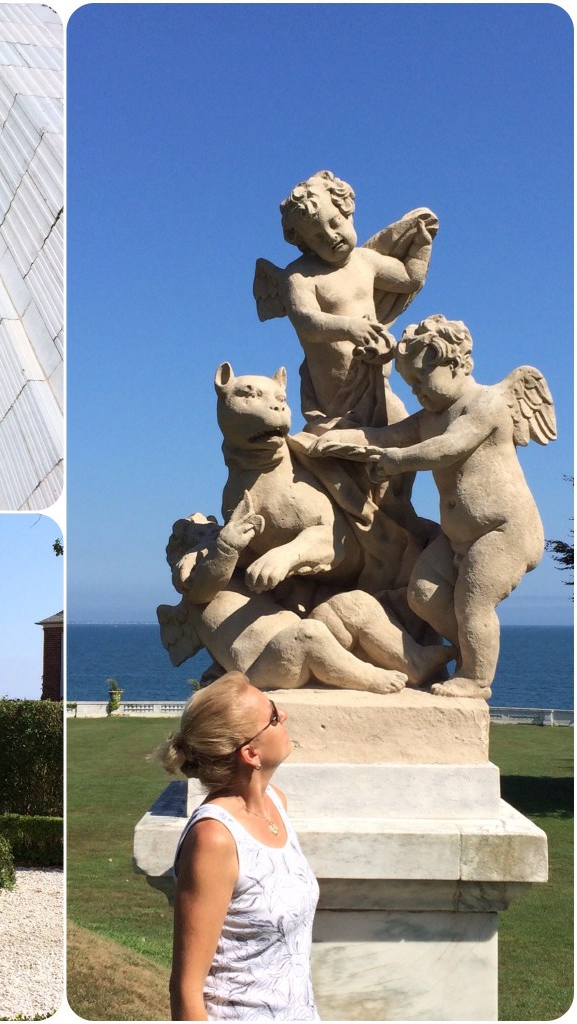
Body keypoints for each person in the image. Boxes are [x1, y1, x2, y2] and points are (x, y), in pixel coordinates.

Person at [309, 314, 556, 698]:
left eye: (423, 381)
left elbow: (448, 448)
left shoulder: (486, 404)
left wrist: (395, 460)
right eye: (411, 385)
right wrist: (341, 439)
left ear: (455, 364)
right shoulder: (428, 418)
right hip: (457, 537)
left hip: (502, 530)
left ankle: (476, 678)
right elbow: (384, 436)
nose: (417, 392)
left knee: (473, 604)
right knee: (423, 593)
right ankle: (471, 649)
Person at [158, 673, 319, 1020]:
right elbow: (185, 989)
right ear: (251, 753)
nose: (284, 715)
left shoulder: (276, 804)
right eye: (273, 715)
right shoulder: (214, 838)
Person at [254, 170, 437, 431]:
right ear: (304, 243)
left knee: (402, 428)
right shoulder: (299, 276)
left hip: (374, 375)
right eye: (317, 237)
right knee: (363, 435)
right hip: (335, 391)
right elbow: (306, 321)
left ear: (348, 212)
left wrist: (421, 245)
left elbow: (409, 279)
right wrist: (350, 327)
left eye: (335, 222)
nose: (331, 236)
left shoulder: (366, 261)